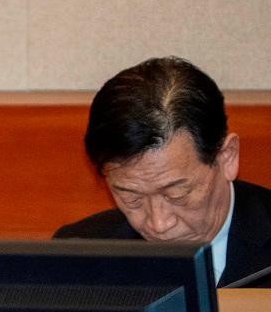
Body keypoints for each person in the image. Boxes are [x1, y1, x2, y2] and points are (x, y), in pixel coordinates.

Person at [55, 56, 271, 287]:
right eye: (132, 198)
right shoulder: (80, 255)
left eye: (177, 194)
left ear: (226, 157)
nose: (159, 224)